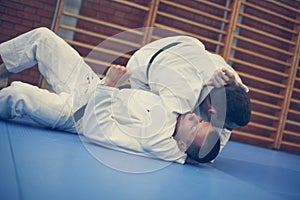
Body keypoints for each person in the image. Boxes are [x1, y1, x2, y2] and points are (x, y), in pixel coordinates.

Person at [0, 27, 221, 164]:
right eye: (200, 119)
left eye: (194, 127)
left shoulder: (155, 142)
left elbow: (97, 131)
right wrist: (207, 85)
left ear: (181, 146)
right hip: (90, 85)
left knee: (18, 94)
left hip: (75, 115)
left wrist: (111, 86)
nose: (193, 117)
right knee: (42, 38)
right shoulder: (177, 111)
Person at [127, 36, 252, 155]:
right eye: (227, 127)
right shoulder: (181, 94)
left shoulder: (232, 82)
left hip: (191, 52)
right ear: (212, 111)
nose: (226, 130)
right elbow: (153, 142)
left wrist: (211, 153)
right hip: (144, 65)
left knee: (206, 121)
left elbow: (224, 127)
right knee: (150, 121)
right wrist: (188, 157)